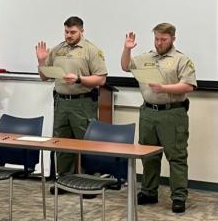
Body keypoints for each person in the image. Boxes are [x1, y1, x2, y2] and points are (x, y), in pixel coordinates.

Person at [121, 23, 197, 213]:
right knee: (148, 155)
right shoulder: (146, 57)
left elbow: (188, 86)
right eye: (156, 39)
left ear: (173, 38)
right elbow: (125, 66)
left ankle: (179, 196)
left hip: (172, 113)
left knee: (177, 156)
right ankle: (149, 192)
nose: (159, 43)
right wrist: (127, 49)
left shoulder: (181, 59)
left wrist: (164, 88)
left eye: (163, 39)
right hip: (148, 113)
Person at [35, 16, 108, 195]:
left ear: (82, 31)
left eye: (73, 32)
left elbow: (101, 78)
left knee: (88, 143)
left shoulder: (91, 50)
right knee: (61, 143)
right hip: (61, 102)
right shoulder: (57, 49)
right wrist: (42, 61)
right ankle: (64, 180)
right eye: (66, 32)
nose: (69, 35)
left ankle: (90, 183)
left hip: (82, 102)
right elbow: (45, 77)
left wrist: (79, 78)